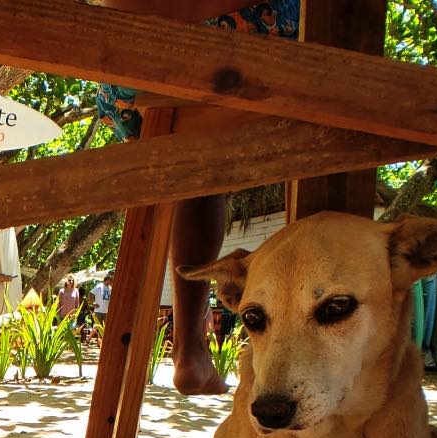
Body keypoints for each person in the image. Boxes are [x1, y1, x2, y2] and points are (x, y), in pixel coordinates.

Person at [93, 3, 301, 397]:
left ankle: (190, 346)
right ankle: (293, 355)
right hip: (262, 51)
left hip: (130, 69)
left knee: (198, 174)